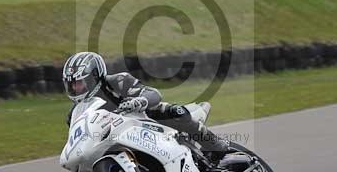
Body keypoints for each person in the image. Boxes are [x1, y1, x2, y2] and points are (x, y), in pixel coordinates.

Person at [62, 51, 230, 156]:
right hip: (118, 139)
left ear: (94, 76)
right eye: (71, 85)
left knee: (175, 111)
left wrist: (138, 101)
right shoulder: (75, 113)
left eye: (79, 83)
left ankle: (214, 144)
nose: (75, 88)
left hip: (146, 121)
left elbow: (153, 94)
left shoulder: (118, 81)